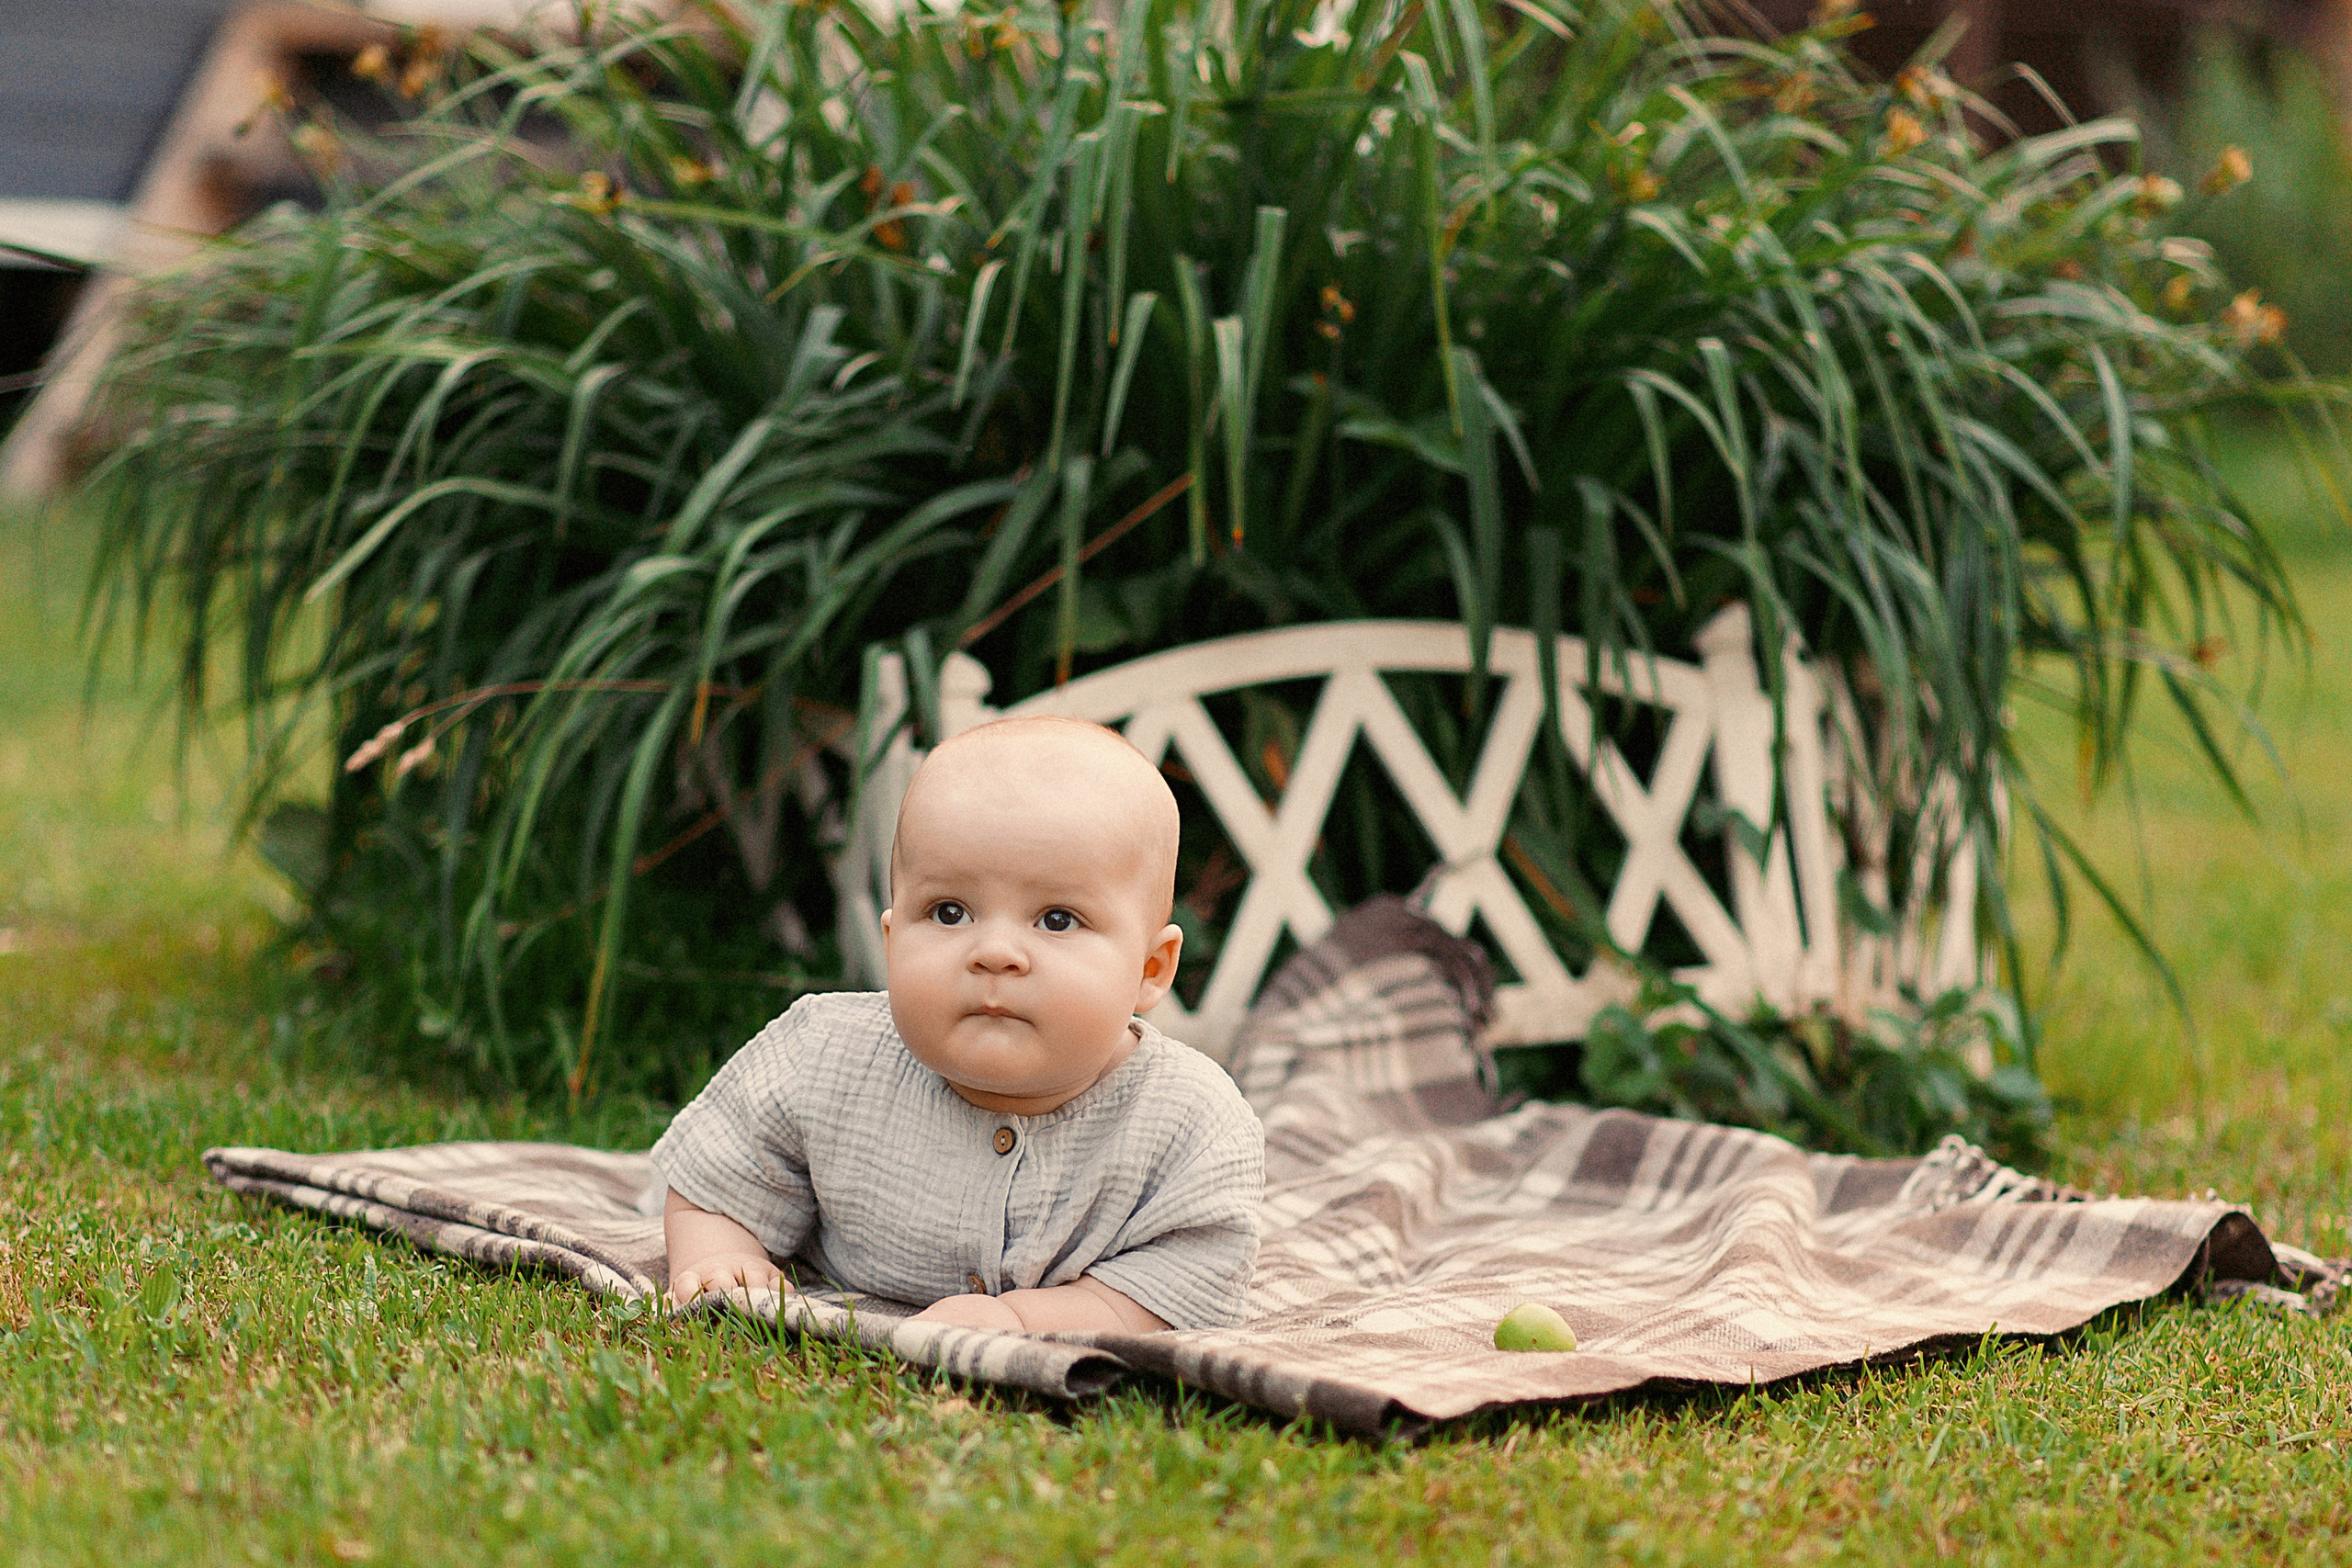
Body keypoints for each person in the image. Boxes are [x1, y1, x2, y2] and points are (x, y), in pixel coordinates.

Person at [650, 714, 1263, 1334]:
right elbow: (719, 1173)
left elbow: (1184, 1285)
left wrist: (1024, 1317)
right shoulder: (821, 1055)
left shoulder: (1190, 1121)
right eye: (949, 912)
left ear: (1150, 968)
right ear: (892, 942)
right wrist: (721, 1255)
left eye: (1056, 919)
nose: (994, 950)